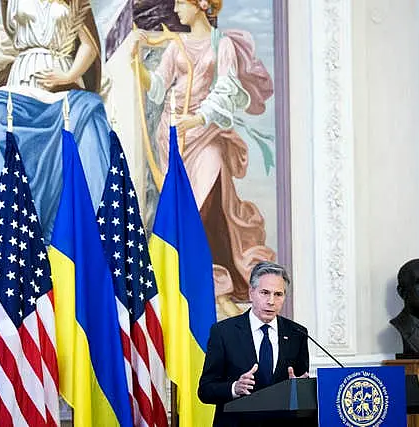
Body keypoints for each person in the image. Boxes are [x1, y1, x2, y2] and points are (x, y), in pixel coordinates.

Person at [131, 0, 276, 314]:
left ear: (200, 5)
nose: (177, 8)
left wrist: (198, 119)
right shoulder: (176, 45)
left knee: (203, 209)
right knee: (184, 216)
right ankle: (194, 290)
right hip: (174, 137)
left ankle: (216, 288)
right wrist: (138, 67)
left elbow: (226, 88)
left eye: (181, 2)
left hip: (205, 132)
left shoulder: (221, 44)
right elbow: (157, 88)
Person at [0, 0, 111, 245]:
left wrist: (69, 75)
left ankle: (89, 229)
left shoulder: (75, 2)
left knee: (90, 122)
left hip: (61, 86)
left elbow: (90, 46)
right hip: (21, 85)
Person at [198, 261, 309, 426]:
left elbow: (301, 392)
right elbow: (205, 390)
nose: (271, 301)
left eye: (278, 294)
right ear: (251, 292)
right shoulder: (223, 332)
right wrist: (235, 388)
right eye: (265, 292)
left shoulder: (297, 333)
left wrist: (298, 390)